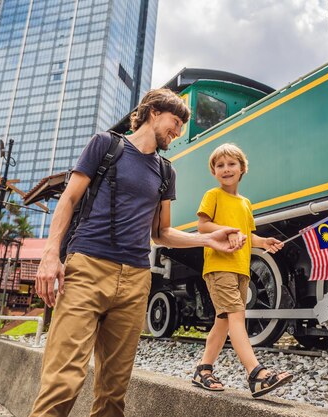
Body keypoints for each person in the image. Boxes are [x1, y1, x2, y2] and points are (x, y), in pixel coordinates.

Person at [30, 89, 244, 417]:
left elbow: (161, 234)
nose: (178, 131)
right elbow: (69, 199)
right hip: (87, 267)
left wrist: (210, 240)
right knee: (63, 381)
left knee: (113, 393)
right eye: (176, 122)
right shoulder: (106, 145)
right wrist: (49, 255)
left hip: (135, 280)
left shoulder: (165, 171)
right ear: (154, 112)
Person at [191, 143, 293, 398]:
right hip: (219, 265)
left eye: (231, 164)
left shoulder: (245, 203)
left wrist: (264, 242)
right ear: (214, 171)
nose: (226, 169)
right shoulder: (213, 195)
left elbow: (248, 234)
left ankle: (203, 369)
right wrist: (229, 231)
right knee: (237, 316)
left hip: (241, 268)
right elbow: (203, 226)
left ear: (242, 168)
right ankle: (256, 373)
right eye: (220, 165)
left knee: (223, 321)